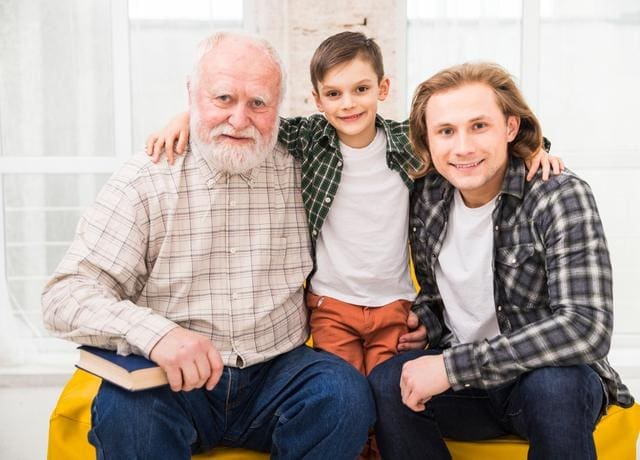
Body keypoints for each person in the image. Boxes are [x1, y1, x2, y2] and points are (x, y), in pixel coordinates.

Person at [146, 32, 561, 380]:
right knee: (343, 395)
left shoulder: (407, 143)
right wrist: (186, 117)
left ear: (382, 88)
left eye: (361, 89)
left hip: (394, 303)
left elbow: (462, 141)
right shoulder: (310, 140)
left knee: (386, 398)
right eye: (334, 93)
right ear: (317, 100)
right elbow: (248, 119)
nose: (348, 104)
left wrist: (534, 149)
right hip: (332, 305)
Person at [41, 31, 376, 460]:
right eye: (222, 98)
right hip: (171, 376)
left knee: (344, 395)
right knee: (126, 411)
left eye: (258, 103)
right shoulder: (145, 180)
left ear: (280, 106)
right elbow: (64, 296)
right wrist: (157, 335)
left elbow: (386, 145)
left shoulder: (308, 167)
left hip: (279, 370)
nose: (239, 120)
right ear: (190, 94)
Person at [367, 62, 635, 460]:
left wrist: (453, 367)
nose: (463, 147)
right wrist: (427, 319)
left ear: (510, 128)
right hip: (469, 391)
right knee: (389, 382)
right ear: (427, 138)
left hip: (542, 382)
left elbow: (586, 328)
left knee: (556, 387)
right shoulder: (427, 196)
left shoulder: (558, 195)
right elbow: (443, 292)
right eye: (446, 131)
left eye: (479, 126)